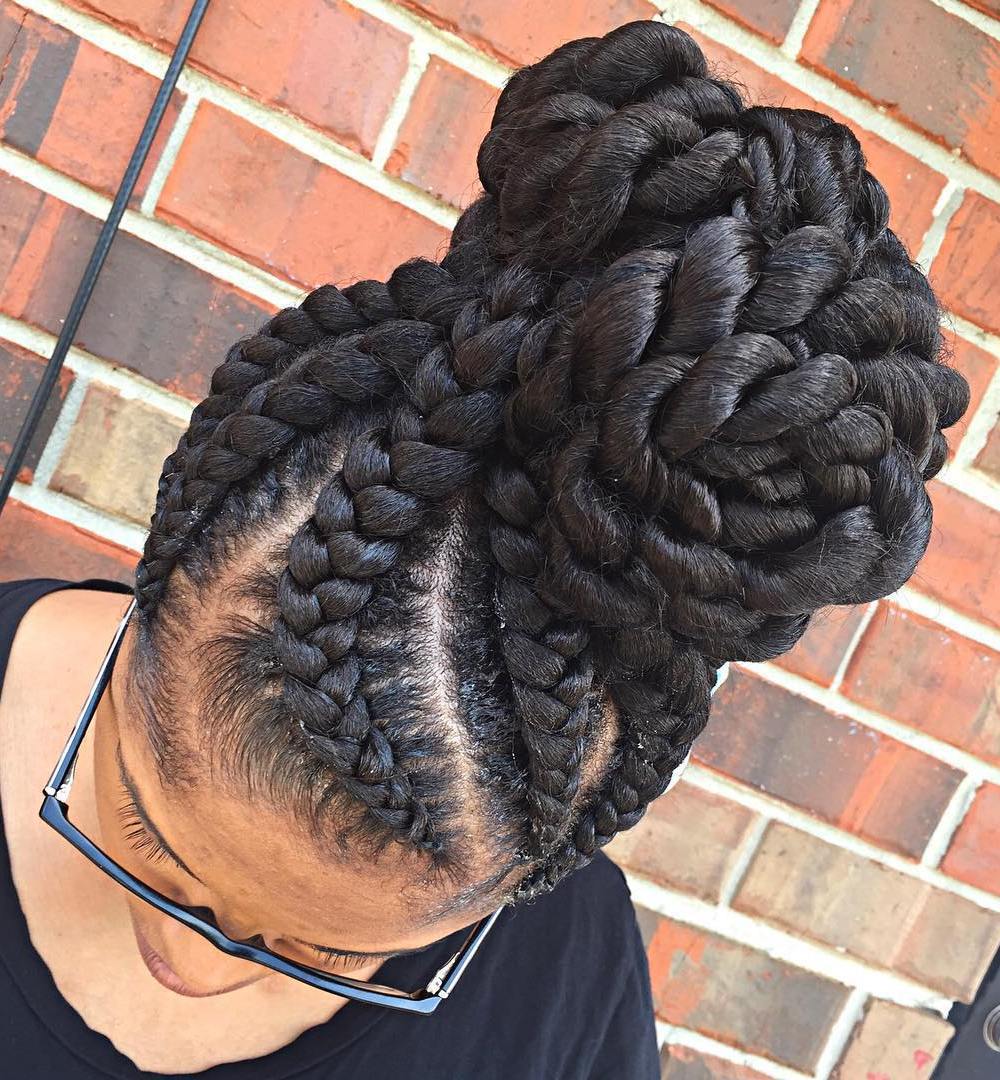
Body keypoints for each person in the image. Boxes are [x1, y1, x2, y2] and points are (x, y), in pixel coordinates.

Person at [0, 17, 971, 1080]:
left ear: (514, 889)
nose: (198, 969)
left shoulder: (560, 988)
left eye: (330, 954)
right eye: (145, 847)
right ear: (138, 626)